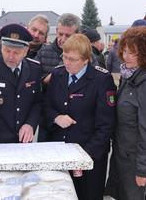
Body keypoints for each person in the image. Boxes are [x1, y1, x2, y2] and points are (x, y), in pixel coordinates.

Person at [43, 34, 116, 200]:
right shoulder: (58, 74)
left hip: (89, 155)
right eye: (65, 57)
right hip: (60, 152)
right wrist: (56, 118)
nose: (67, 62)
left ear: (85, 60)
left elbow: (105, 125)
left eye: (73, 59)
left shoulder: (101, 79)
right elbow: (46, 106)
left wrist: (84, 157)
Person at [105, 26, 146, 200]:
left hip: (139, 164)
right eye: (124, 50)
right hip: (125, 158)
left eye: (132, 52)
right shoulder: (130, 76)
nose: (125, 56)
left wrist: (144, 169)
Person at [34, 13, 81, 85]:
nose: (63, 39)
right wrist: (53, 76)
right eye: (60, 34)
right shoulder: (43, 52)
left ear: (77, 34)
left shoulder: (85, 55)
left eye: (68, 36)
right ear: (56, 31)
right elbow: (33, 83)